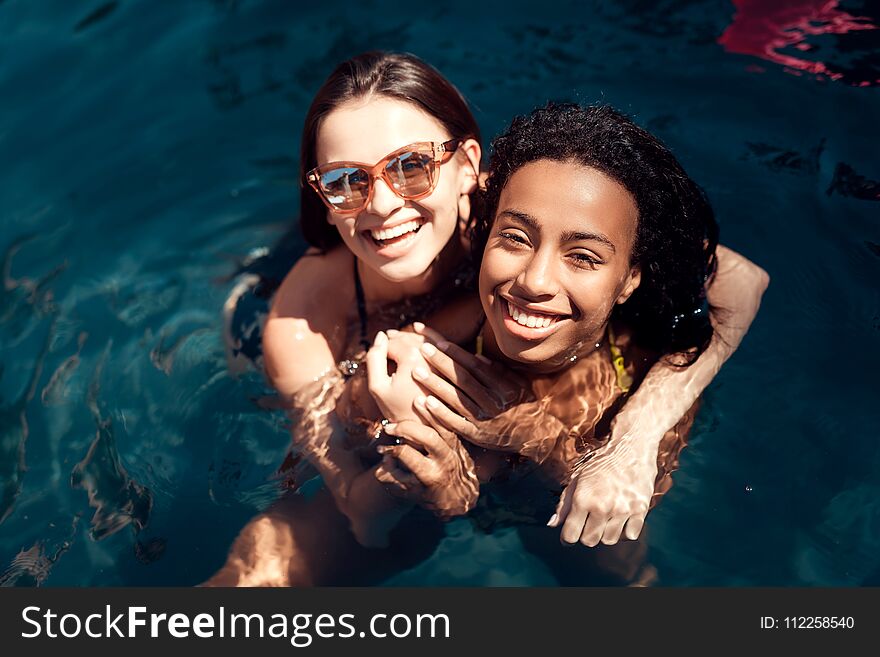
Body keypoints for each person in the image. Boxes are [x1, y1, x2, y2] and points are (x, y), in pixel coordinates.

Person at [206, 55, 767, 585]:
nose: (380, 203)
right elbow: (362, 520)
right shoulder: (299, 328)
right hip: (270, 303)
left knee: (602, 558)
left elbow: (741, 279)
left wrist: (635, 437)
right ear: (325, 197)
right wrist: (411, 459)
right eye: (346, 181)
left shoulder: (524, 212)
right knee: (277, 558)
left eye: (410, 167)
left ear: (467, 168)